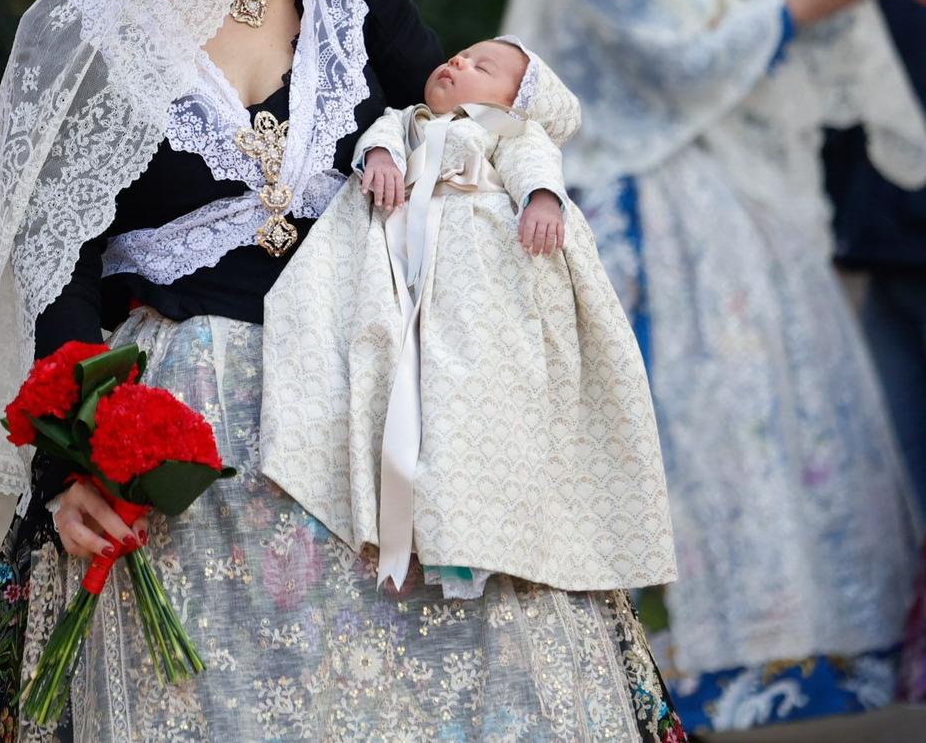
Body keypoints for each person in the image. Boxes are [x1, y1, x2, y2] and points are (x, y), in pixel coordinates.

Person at [0, 0, 687, 740]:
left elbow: (450, 110)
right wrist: (71, 461)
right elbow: (55, 253)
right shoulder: (94, 21)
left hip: (362, 395)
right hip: (186, 424)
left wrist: (516, 117)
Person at [504, 0, 926, 732]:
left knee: (754, 425)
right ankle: (671, 657)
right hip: (636, 216)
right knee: (679, 428)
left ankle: (786, 652)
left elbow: (711, 44)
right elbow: (684, 68)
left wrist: (797, 1)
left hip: (708, 212)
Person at [259, 37, 674, 599]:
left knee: (465, 396)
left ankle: (467, 544)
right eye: (461, 55)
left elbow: (535, 162)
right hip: (399, 257)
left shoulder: (508, 131)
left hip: (473, 272)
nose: (459, 63)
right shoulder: (408, 119)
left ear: (516, 103)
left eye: (483, 67)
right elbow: (381, 135)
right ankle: (402, 514)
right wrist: (381, 158)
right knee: (391, 374)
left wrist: (543, 199)